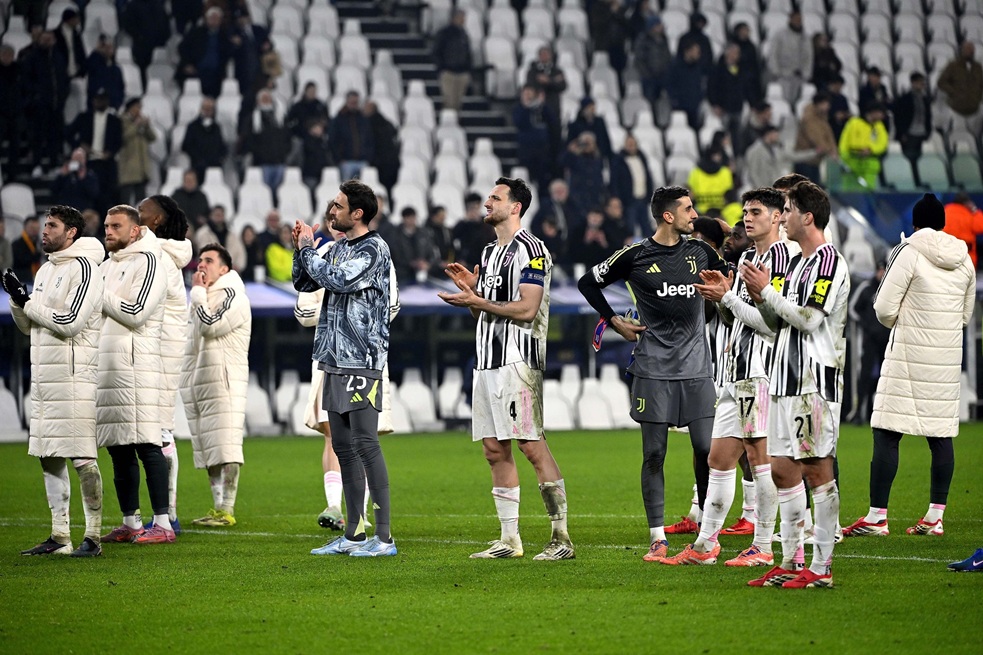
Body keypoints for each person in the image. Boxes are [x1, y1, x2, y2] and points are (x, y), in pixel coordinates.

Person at [577, 186, 729, 562]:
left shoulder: (702, 252)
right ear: (668, 216)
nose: (694, 215)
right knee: (655, 453)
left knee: (706, 450)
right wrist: (614, 320)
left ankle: (706, 535)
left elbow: (726, 288)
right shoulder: (635, 255)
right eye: (688, 209)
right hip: (653, 368)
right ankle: (657, 537)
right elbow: (587, 283)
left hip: (697, 368)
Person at [438, 177, 574, 561]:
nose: (487, 203)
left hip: (518, 361)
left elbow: (527, 309)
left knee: (531, 445)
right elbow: (486, 310)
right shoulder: (489, 252)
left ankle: (561, 538)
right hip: (486, 362)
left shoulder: (533, 250)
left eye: (495, 198)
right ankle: (509, 540)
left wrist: (478, 301)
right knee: (494, 450)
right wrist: (474, 294)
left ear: (515, 207)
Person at [664, 188, 789, 567]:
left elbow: (771, 323)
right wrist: (720, 297)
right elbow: (736, 317)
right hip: (735, 372)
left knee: (760, 459)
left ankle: (763, 547)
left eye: (756, 212)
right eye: (746, 211)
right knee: (718, 458)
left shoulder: (784, 260)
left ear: (777, 217)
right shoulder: (749, 257)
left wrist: (728, 297)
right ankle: (705, 547)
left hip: (761, 372)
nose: (747, 218)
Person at [843, 193, 975, 539]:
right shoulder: (964, 259)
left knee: (887, 430)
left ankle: (877, 517)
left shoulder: (908, 251)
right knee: (941, 434)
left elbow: (884, 308)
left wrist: (907, 322)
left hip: (907, 354)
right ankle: (935, 517)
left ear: (914, 223)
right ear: (943, 223)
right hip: (946, 360)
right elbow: (965, 316)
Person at [741, 180, 849, 589]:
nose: (782, 217)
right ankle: (791, 561)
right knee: (783, 470)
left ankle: (822, 568)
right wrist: (757, 296)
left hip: (813, 383)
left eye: (787, 210)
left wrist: (767, 292)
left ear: (808, 216)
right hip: (784, 381)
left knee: (817, 470)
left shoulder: (827, 261)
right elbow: (775, 323)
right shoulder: (797, 264)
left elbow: (808, 319)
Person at [294, 180, 397, 557]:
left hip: (361, 358)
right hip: (332, 358)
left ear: (358, 213)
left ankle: (383, 539)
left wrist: (310, 250)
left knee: (366, 443)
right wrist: (300, 251)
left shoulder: (374, 248)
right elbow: (305, 280)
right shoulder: (338, 248)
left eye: (338, 206)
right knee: (342, 446)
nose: (331, 210)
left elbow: (338, 279)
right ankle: (353, 534)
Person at [4, 206, 106, 557]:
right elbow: (29, 326)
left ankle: (92, 537)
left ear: (71, 232)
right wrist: (17, 300)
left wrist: (27, 302)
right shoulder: (47, 269)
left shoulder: (86, 268)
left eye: (52, 225)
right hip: (46, 377)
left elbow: (69, 322)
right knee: (49, 455)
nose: (44, 230)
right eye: (45, 224)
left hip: (73, 376)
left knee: (82, 457)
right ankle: (60, 536)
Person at [97, 204, 173, 545]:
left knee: (147, 443)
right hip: (107, 366)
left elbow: (137, 312)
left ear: (136, 230)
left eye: (116, 226)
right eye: (106, 226)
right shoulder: (104, 267)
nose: (108, 231)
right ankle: (131, 522)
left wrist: (97, 294)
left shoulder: (151, 262)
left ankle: (163, 524)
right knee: (118, 446)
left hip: (137, 364)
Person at [182, 243, 252, 527]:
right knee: (210, 446)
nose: (201, 265)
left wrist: (197, 293)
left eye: (209, 261)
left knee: (227, 446)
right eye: (200, 260)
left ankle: (227, 509)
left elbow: (210, 326)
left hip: (225, 381)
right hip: (200, 382)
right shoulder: (202, 296)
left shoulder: (233, 295)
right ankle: (217, 508)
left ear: (224, 269)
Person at [137, 195, 192, 533]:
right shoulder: (158, 253)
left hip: (159, 350)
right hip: (158, 347)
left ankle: (168, 514)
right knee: (155, 428)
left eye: (140, 212)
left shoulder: (158, 257)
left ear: (156, 220)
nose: (136, 216)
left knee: (159, 429)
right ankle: (165, 513)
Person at [66, 87, 122, 213]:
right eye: (97, 99)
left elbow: (119, 141)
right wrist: (80, 146)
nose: (100, 102)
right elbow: (68, 133)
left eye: (103, 99)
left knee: (106, 197)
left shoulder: (114, 120)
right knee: (87, 196)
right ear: (93, 101)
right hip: (87, 163)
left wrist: (110, 152)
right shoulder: (84, 117)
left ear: (107, 101)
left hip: (106, 164)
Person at [848, 259, 890, 424]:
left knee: (886, 376)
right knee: (864, 375)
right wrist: (866, 325)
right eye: (880, 270)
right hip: (869, 340)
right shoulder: (867, 287)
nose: (882, 273)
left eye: (885, 270)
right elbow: (853, 308)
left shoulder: (891, 288)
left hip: (886, 340)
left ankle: (882, 413)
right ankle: (859, 412)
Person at [246, 89, 291, 191]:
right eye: (263, 99)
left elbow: (287, 137)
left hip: (280, 161)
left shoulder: (280, 117)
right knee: (264, 190)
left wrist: (284, 152)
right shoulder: (253, 118)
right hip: (262, 162)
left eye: (268, 98)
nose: (266, 101)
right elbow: (250, 140)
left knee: (279, 190)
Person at [937, 41, 983, 138]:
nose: (970, 52)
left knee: (974, 137)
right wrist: (954, 92)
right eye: (967, 49)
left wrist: (978, 95)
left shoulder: (978, 67)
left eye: (972, 50)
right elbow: (941, 82)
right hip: (956, 108)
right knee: (956, 135)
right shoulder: (953, 66)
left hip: (974, 109)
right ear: (962, 51)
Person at [118, 98, 159, 207]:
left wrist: (147, 126)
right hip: (128, 169)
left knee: (141, 204)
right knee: (126, 203)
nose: (139, 110)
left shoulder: (141, 122)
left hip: (141, 169)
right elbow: (123, 137)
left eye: (140, 108)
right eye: (137, 107)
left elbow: (153, 138)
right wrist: (136, 125)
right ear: (130, 108)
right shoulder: (122, 121)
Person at [838, 103, 889, 191]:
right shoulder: (854, 123)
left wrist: (871, 149)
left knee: (868, 190)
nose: (882, 116)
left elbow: (883, 143)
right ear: (874, 112)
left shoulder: (879, 126)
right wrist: (844, 157)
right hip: (852, 161)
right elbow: (844, 141)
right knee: (849, 190)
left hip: (870, 163)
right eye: (881, 113)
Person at [893, 72, 933, 177]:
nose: (921, 85)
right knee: (910, 159)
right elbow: (899, 118)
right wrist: (902, 133)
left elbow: (928, 117)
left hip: (922, 133)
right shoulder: (905, 99)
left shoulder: (925, 99)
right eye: (919, 82)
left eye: (922, 83)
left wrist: (928, 131)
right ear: (913, 83)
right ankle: (913, 179)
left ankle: (919, 179)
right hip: (909, 133)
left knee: (920, 159)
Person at [767, 11, 812, 104]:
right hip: (784, 74)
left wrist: (807, 73)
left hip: (800, 75)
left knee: (799, 102)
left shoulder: (806, 37)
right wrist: (776, 71)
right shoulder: (780, 35)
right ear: (790, 20)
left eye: (800, 19)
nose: (798, 21)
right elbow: (773, 54)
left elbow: (809, 56)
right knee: (784, 101)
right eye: (796, 19)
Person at [793, 92, 839, 183]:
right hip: (805, 160)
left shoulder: (822, 117)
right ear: (819, 104)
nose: (828, 107)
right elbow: (816, 138)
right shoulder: (809, 118)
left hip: (815, 160)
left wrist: (834, 150)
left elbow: (829, 135)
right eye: (826, 104)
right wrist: (829, 150)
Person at [329, 91, 374, 182]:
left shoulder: (364, 119)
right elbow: (333, 140)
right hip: (346, 161)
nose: (354, 104)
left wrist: (368, 157)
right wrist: (339, 158)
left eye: (356, 102)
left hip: (362, 160)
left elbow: (369, 139)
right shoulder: (338, 119)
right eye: (352, 102)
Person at [182, 97, 229, 183]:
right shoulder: (192, 126)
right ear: (201, 109)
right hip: (198, 166)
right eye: (205, 108)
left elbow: (221, 145)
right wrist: (198, 159)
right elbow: (186, 146)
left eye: (210, 109)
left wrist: (221, 157)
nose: (207, 111)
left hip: (215, 166)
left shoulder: (216, 127)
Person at [432, 9, 471, 112]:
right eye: (461, 18)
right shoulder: (444, 33)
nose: (463, 20)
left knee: (458, 104)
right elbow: (436, 52)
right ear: (455, 18)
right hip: (448, 72)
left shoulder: (464, 34)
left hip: (462, 73)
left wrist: (468, 70)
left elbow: (468, 53)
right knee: (449, 102)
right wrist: (441, 69)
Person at [194, 205, 246, 272]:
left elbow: (240, 251)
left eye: (221, 215)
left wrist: (238, 266)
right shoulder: (202, 233)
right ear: (211, 216)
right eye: (216, 215)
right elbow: (204, 252)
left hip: (231, 271)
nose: (219, 217)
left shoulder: (232, 234)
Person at [634, 16, 671, 109]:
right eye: (658, 25)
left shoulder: (664, 39)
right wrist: (647, 74)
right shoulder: (643, 40)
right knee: (650, 102)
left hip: (662, 77)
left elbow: (667, 56)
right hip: (649, 79)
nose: (660, 27)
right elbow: (639, 60)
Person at [524, 46, 566, 126]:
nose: (544, 56)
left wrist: (548, 81)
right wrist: (554, 80)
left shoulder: (557, 70)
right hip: (537, 105)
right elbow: (530, 85)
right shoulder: (532, 71)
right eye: (542, 54)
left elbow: (563, 86)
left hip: (553, 105)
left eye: (546, 54)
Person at [943, 192, 983, 269]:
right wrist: (974, 210)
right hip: (966, 254)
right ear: (967, 202)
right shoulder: (970, 213)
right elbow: (980, 227)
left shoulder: (945, 210)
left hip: (947, 252)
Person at [11, 215, 42, 281]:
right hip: (22, 279)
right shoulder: (17, 244)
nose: (35, 230)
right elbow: (21, 261)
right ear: (25, 227)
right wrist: (38, 255)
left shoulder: (39, 243)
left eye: (37, 228)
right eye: (32, 227)